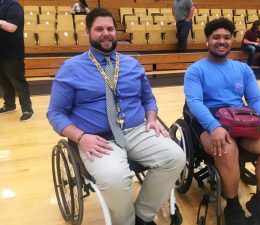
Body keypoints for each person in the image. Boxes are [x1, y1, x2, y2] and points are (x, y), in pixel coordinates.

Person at [47, 8, 185, 225]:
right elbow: (55, 113)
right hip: (97, 137)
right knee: (115, 179)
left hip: (137, 130)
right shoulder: (71, 69)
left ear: (116, 32)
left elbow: (148, 99)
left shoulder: (132, 64)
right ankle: (127, 222)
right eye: (99, 29)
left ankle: (143, 216)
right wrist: (81, 137)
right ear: (88, 32)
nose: (106, 33)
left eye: (110, 28)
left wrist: (151, 118)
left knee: (175, 157)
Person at [184, 18, 260, 225]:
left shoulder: (243, 69)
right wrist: (214, 126)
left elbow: (256, 98)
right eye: (216, 37)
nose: (222, 41)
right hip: (208, 119)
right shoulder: (195, 70)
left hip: (239, 119)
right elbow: (194, 102)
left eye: (227, 37)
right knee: (226, 147)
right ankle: (232, 206)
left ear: (232, 41)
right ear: (207, 41)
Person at [0, 0, 34, 121]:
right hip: (1, 53)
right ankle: (9, 105)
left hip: (12, 54)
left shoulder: (13, 5)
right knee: (4, 82)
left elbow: (12, 27)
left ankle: (27, 109)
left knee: (18, 82)